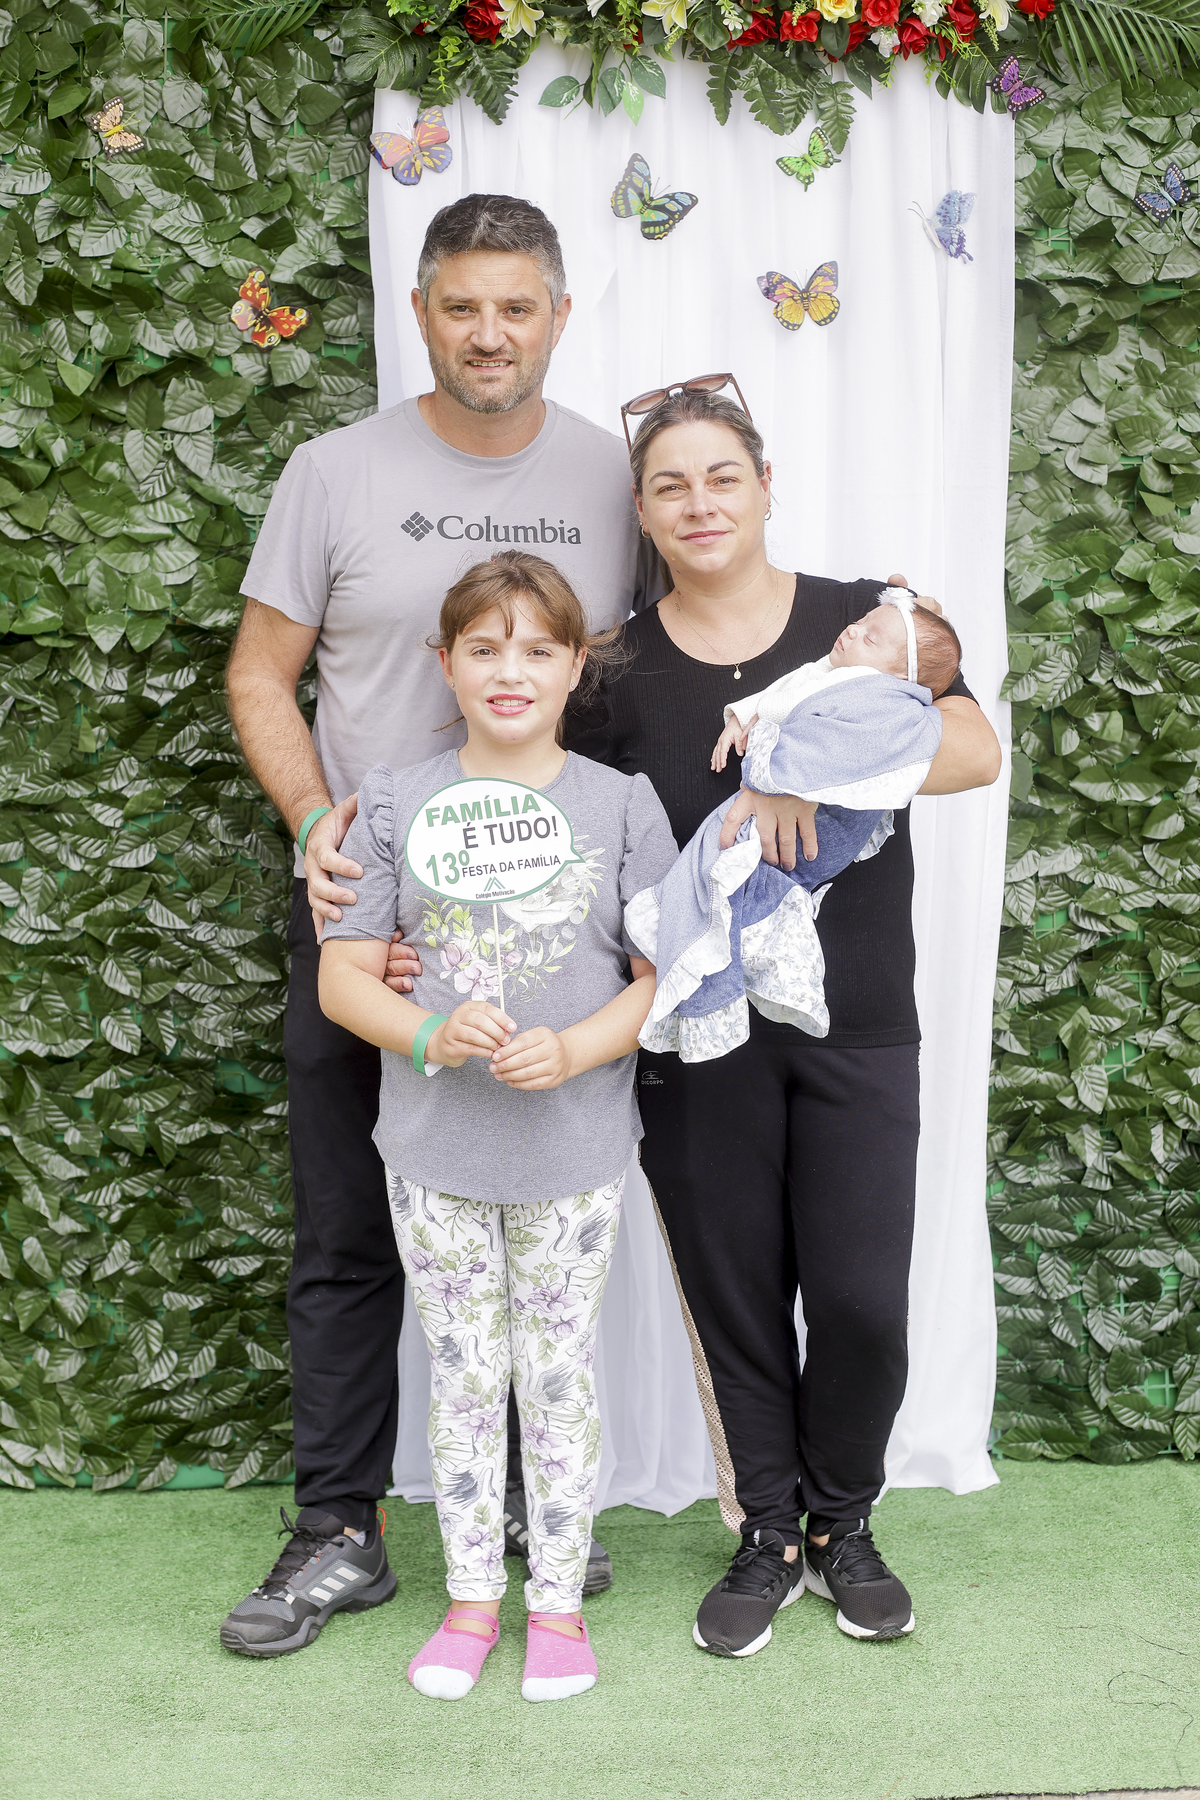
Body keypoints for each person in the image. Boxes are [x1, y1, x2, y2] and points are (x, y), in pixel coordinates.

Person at [221, 194, 652, 1658]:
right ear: (420, 313)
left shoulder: (608, 476)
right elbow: (261, 673)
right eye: (461, 305)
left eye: (516, 307)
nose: (488, 333)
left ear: (558, 316)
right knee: (351, 1228)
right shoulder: (334, 471)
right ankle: (341, 1529)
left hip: (551, 939)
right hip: (371, 922)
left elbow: (660, 666)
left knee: (541, 1229)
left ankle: (528, 1519)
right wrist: (317, 830)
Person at [564, 381, 1001, 1658]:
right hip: (698, 1035)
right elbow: (582, 828)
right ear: (644, 510)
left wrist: (798, 770)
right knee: (737, 1296)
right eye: (670, 485)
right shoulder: (615, 667)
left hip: (858, 1022)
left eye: (722, 478)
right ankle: (768, 1529)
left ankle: (844, 1523)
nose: (699, 504)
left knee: (861, 1299)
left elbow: (975, 751)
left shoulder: (865, 618)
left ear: (764, 487)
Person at [319, 552, 678, 1702]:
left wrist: (572, 1049)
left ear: (576, 666)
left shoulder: (622, 805)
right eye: (483, 647)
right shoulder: (393, 800)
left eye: (536, 648)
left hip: (574, 1151)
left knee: (557, 1374)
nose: (508, 669)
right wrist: (428, 1031)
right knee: (467, 1375)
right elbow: (344, 979)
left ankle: (557, 1605)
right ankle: (473, 1600)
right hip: (434, 1151)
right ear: (446, 663)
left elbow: (663, 980)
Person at [630, 593, 961, 1061]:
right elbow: (788, 693)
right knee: (720, 869)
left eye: (870, 638)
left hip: (830, 828)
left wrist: (790, 777)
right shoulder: (830, 674)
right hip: (784, 832)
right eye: (861, 621)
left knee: (718, 869)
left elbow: (872, 745)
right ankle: (723, 952)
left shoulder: (885, 699)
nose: (853, 629)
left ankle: (713, 980)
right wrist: (744, 718)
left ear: (901, 677)